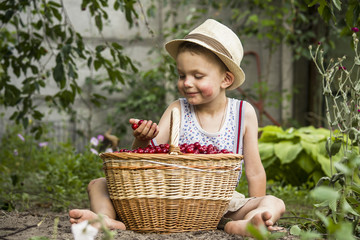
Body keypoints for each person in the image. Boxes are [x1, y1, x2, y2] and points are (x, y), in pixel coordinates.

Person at [69, 18, 286, 236]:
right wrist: (143, 139)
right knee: (99, 184)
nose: (187, 82)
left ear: (226, 79)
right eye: (182, 75)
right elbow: (144, 159)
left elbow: (255, 171)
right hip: (170, 199)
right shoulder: (178, 109)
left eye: (197, 76)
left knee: (274, 202)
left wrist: (255, 204)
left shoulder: (243, 113)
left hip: (219, 203)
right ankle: (106, 219)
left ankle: (249, 222)